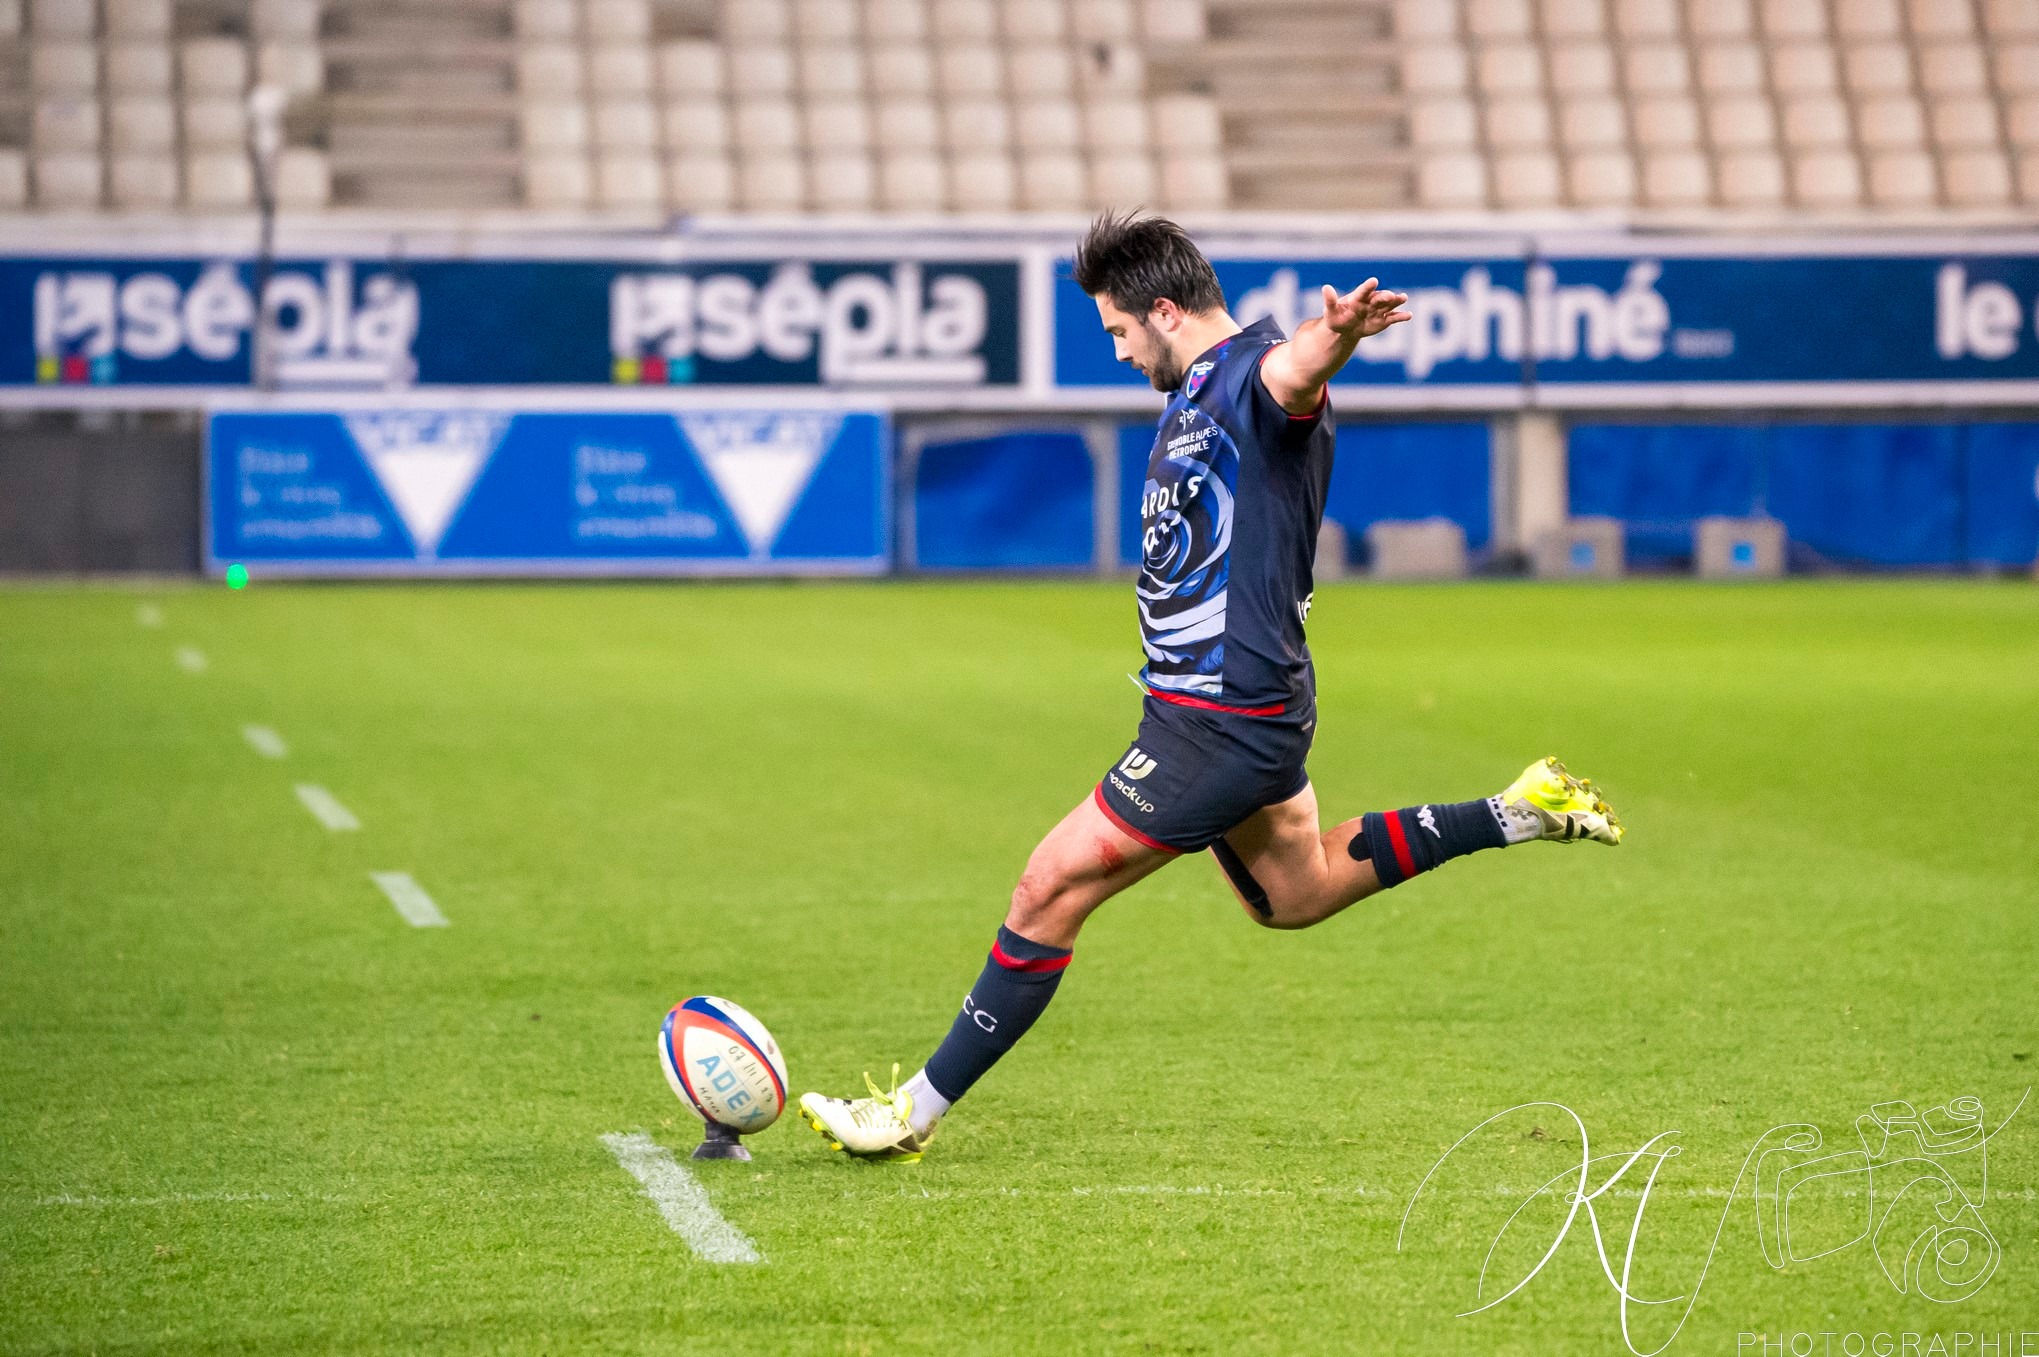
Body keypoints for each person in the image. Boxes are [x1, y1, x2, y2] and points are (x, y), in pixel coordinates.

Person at [797, 212, 1623, 1162]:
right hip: (1237, 704)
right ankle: (1520, 809)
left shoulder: (1251, 374)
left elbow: (1297, 370)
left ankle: (909, 1112)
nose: (1116, 352)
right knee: (1293, 891)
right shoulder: (1196, 393)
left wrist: (1338, 335)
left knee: (1045, 887)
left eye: (1116, 331)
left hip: (1219, 720)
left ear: (1161, 309)